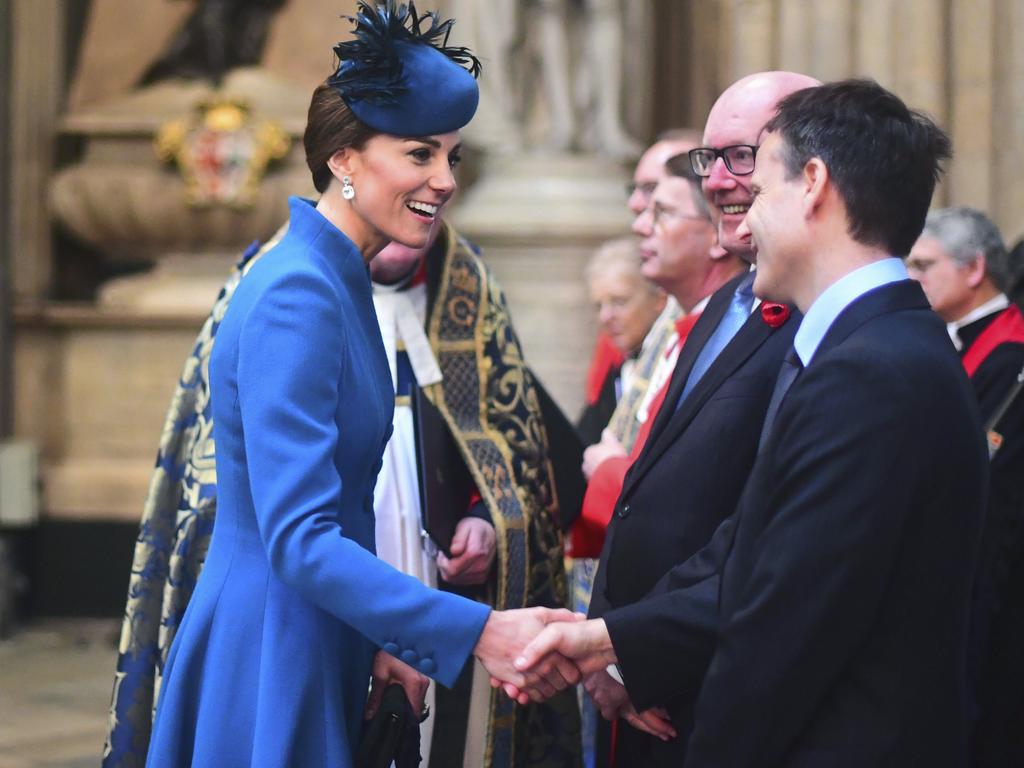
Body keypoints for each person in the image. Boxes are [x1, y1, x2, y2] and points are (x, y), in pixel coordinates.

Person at [140, 4, 580, 766]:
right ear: (344, 158)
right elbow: (302, 539)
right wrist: (477, 630)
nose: (444, 181)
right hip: (275, 646)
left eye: (453, 156)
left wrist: (376, 636)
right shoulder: (298, 294)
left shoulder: (331, 278)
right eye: (419, 154)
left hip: (315, 630)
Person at [517, 78, 989, 767]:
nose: (737, 218)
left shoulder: (872, 373)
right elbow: (748, 555)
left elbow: (784, 631)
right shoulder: (863, 351)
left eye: (760, 188)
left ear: (814, 186)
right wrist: (610, 640)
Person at [550, 72, 815, 767]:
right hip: (646, 673)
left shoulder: (817, 324)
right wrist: (616, 651)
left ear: (809, 167)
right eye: (709, 161)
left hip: (712, 682)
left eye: (742, 157)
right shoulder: (719, 313)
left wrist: (636, 652)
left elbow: (756, 527)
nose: (719, 181)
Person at [907, 208, 1024, 767]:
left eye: (925, 264)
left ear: (975, 268)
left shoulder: (1012, 355)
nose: (912, 276)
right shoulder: (945, 340)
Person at [577, 238, 666, 447]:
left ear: (659, 299)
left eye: (619, 302)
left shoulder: (674, 364)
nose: (605, 317)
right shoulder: (615, 373)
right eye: (599, 306)